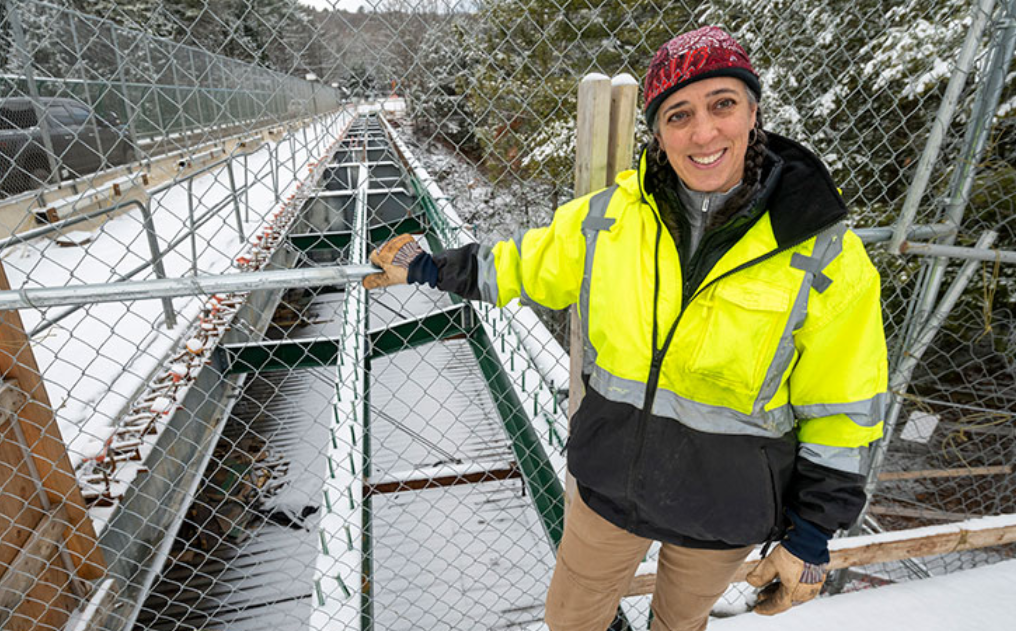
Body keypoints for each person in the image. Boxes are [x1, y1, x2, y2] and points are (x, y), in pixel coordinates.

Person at [363, 26, 888, 631]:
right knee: (572, 617)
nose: (703, 132)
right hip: (610, 483)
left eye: (723, 103)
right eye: (678, 114)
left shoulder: (823, 254)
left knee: (680, 624)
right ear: (659, 133)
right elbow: (522, 264)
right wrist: (429, 267)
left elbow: (845, 406)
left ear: (753, 112)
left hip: (723, 505)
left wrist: (814, 534)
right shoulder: (609, 220)